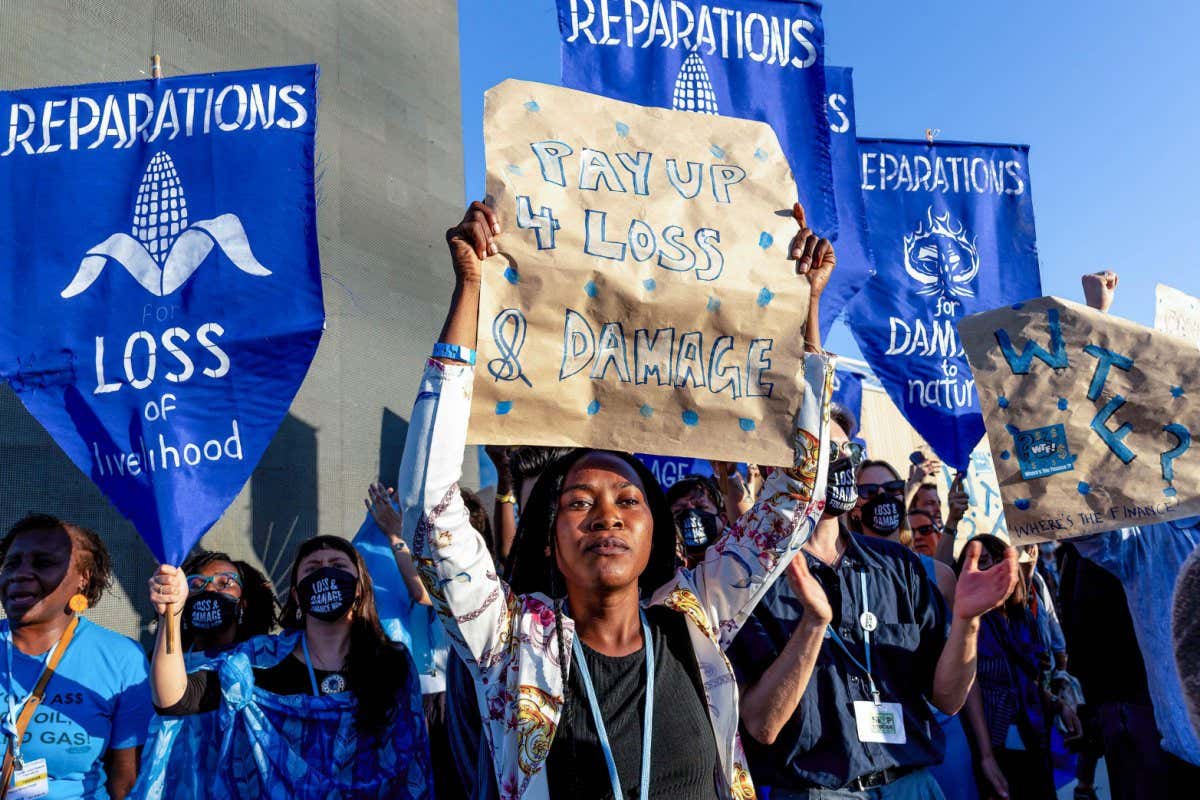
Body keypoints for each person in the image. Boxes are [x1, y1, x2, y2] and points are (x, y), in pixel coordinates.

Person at [398, 199, 836, 799]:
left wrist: (804, 310)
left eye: (629, 501)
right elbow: (429, 512)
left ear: (657, 532)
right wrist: (472, 288)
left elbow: (795, 501)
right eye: (579, 503)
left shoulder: (694, 620)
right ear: (549, 540)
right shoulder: (510, 642)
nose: (607, 514)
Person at [729, 425, 1018, 797]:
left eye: (847, 450)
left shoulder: (899, 565)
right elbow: (761, 725)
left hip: (912, 784)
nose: (843, 462)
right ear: (776, 468)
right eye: (825, 451)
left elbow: (947, 698)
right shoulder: (751, 579)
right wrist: (813, 627)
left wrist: (967, 622)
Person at [146, 535, 433, 798]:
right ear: (296, 594)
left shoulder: (392, 663)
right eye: (312, 569)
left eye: (337, 566)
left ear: (359, 589)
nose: (324, 573)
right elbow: (173, 699)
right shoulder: (259, 660)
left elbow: (412, 759)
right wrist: (171, 613)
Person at [0, 514, 153, 799]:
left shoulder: (121, 658)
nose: (20, 573)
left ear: (83, 578)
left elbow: (126, 780)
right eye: (11, 563)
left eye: (43, 563)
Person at [132, 552, 277, 799]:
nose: (210, 591)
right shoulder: (153, 662)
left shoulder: (263, 661)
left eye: (225, 583)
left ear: (244, 603)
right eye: (196, 585)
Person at [959, 535, 1079, 800]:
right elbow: (971, 688)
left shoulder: (1022, 615)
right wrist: (986, 755)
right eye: (984, 562)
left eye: (1000, 559)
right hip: (996, 739)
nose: (995, 568)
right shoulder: (968, 622)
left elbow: (1030, 678)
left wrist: (1060, 706)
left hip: (1034, 734)